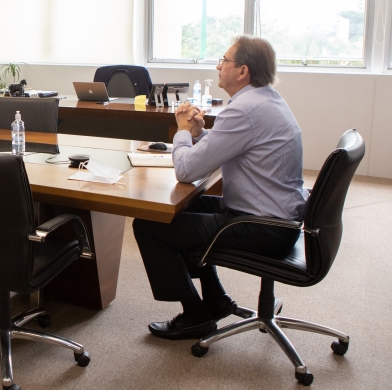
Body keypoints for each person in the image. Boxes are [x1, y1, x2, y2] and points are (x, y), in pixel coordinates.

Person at [132, 36, 307, 341]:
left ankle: (195, 315)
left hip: (263, 227)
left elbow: (186, 170)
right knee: (183, 210)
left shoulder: (243, 110)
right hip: (275, 217)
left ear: (242, 71)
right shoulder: (264, 99)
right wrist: (201, 133)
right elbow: (231, 147)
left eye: (224, 61)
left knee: (149, 226)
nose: (217, 65)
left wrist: (183, 132)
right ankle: (214, 300)